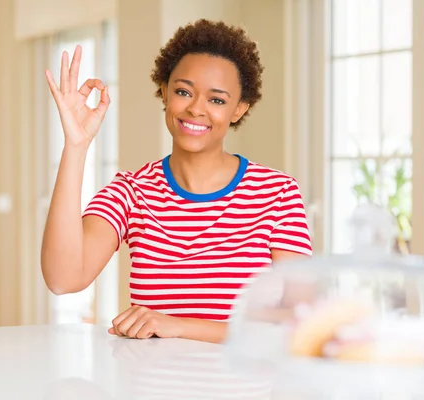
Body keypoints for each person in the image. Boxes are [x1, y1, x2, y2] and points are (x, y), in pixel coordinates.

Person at [41, 19, 312, 344]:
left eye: (217, 100)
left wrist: (178, 325)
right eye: (184, 91)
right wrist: (76, 145)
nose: (196, 108)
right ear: (165, 92)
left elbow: (300, 324)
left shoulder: (277, 193)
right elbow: (63, 279)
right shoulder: (131, 191)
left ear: (239, 109)